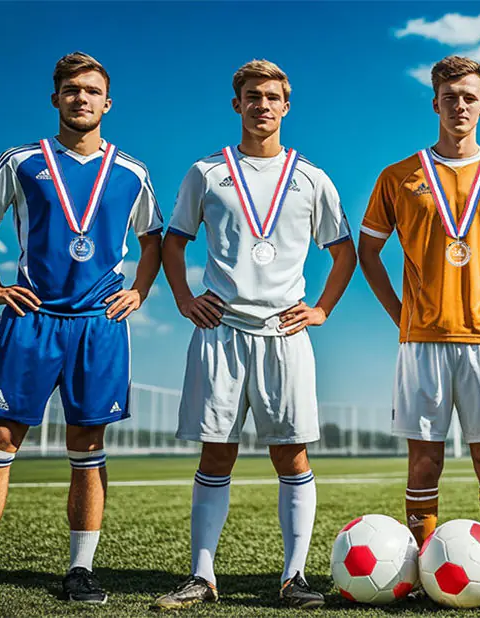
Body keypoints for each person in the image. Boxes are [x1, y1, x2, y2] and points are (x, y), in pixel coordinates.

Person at [151, 59, 356, 610]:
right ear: (237, 104)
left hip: (286, 334)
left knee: (292, 457)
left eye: (271, 97)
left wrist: (322, 311)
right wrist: (185, 299)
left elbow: (343, 252)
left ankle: (293, 579)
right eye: (251, 96)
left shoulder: (312, 178)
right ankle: (202, 577)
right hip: (221, 332)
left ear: (286, 107)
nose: (262, 105)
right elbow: (174, 243)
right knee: (216, 456)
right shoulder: (206, 172)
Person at [0, 52, 163, 604]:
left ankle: (80, 570)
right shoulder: (21, 161)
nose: (81, 98)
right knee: (1, 437)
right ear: (56, 98)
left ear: (107, 102)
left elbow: (154, 239)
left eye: (92, 90)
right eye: (71, 90)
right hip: (32, 318)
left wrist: (140, 291)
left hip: (99, 324)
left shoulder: (132, 172)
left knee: (87, 442)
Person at [357, 55, 480, 602]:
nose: (460, 104)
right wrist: (401, 313)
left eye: (470, 96)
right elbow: (369, 250)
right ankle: (417, 575)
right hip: (421, 341)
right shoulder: (400, 176)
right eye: (450, 95)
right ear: (435, 102)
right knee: (425, 458)